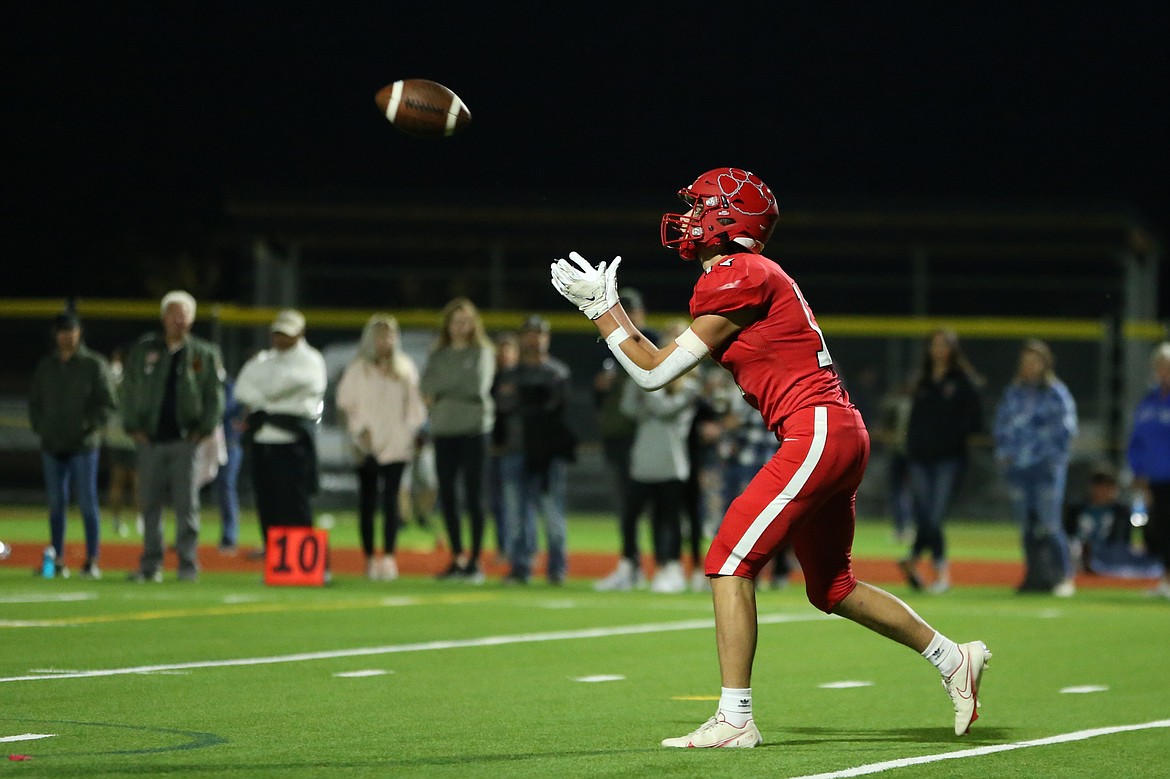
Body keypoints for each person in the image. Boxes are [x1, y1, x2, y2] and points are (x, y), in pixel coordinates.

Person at [550, 167, 989, 747]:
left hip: (816, 431)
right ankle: (951, 656)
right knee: (831, 587)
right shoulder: (746, 275)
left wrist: (602, 310)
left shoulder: (741, 271)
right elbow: (658, 363)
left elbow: (653, 373)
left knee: (729, 558)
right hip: (833, 430)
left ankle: (735, 719)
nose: (690, 216)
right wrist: (611, 314)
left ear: (732, 219)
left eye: (702, 206)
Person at [121, 291, 225, 582]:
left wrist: (201, 430)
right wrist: (133, 426)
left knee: (186, 505)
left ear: (191, 319)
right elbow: (127, 389)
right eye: (172, 314)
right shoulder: (143, 349)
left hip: (185, 441)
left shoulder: (204, 353)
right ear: (163, 317)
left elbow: (215, 398)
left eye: (183, 315)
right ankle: (151, 564)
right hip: (150, 440)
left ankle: (187, 564)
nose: (177, 320)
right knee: (149, 504)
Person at [600, 318, 698, 593]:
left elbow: (665, 410)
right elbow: (629, 409)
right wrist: (640, 377)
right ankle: (630, 566)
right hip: (644, 459)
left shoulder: (690, 385)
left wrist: (647, 380)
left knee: (668, 518)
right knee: (631, 515)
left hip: (671, 461)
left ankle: (672, 567)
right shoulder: (650, 383)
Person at [335, 314, 427, 581]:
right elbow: (345, 403)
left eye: (389, 335)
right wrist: (358, 430)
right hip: (366, 443)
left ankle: (388, 557)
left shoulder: (405, 368)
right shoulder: (358, 369)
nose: (385, 341)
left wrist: (412, 433)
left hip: (397, 444)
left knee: (391, 502)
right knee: (367, 502)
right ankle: (368, 558)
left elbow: (415, 409)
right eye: (380, 335)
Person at [28, 311, 117, 578]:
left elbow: (108, 403)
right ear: (55, 334)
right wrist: (42, 427)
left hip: (83, 445)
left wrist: (87, 426)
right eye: (62, 331)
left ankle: (92, 560)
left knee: (87, 503)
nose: (67, 336)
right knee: (56, 504)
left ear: (80, 332)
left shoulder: (93, 364)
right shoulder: (46, 366)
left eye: (72, 330)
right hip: (52, 444)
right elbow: (35, 403)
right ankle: (56, 560)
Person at [236, 309, 328, 562]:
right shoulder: (264, 360)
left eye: (286, 334)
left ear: (300, 334)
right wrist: (273, 398)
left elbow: (309, 383)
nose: (280, 339)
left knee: (296, 503)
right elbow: (242, 388)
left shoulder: (311, 360)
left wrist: (265, 398)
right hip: (263, 441)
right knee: (268, 502)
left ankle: (301, 559)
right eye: (276, 333)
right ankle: (275, 555)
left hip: (293, 441)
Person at [898, 329, 984, 594]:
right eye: (934, 344)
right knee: (926, 514)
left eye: (943, 345)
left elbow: (976, 418)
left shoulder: (961, 381)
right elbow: (914, 420)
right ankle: (917, 563)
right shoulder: (923, 381)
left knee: (934, 516)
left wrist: (956, 436)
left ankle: (935, 568)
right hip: (920, 457)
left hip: (949, 458)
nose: (937, 349)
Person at [492, 315, 576, 585]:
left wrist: (524, 402)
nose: (534, 339)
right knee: (517, 513)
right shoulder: (508, 374)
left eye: (539, 334)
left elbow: (556, 411)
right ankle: (520, 567)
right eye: (529, 333)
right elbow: (502, 409)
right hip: (515, 450)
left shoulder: (557, 372)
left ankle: (556, 568)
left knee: (552, 513)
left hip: (547, 452)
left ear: (546, 338)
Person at [993, 339, 1079, 597]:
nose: (1029, 366)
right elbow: (1001, 426)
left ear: (1045, 364)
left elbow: (1067, 430)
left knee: (1051, 525)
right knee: (1026, 527)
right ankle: (1034, 577)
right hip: (1018, 470)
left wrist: (1055, 460)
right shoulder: (1014, 392)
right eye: (1026, 361)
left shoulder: (1056, 392)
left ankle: (1065, 577)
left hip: (1046, 470)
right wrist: (1004, 454)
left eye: (1035, 361)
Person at [420, 297, 496, 583]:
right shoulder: (438, 354)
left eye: (465, 320)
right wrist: (452, 387)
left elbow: (477, 386)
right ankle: (457, 558)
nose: (460, 326)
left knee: (475, 497)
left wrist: (445, 389)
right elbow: (426, 386)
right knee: (448, 497)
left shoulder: (483, 351)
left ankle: (475, 561)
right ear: (448, 325)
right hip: (444, 431)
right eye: (455, 321)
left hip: (475, 431)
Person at [1126, 341, 1170, 598]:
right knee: (1158, 529)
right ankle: (1165, 579)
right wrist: (1138, 472)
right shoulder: (1149, 402)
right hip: (1154, 478)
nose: (1163, 371)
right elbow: (1137, 441)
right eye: (1160, 367)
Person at [1063, 462, 1161, 578]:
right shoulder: (1076, 509)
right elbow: (1068, 533)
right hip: (1078, 550)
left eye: (1108, 486)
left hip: (1110, 551)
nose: (1103, 491)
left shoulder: (1122, 512)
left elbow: (1130, 539)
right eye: (1099, 486)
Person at [487, 331, 520, 559]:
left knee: (516, 503)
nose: (504, 356)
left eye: (509, 351)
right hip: (493, 448)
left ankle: (521, 548)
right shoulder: (489, 379)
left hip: (516, 449)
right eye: (501, 351)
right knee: (496, 503)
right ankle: (504, 547)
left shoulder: (521, 378)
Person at [102, 346, 139, 538]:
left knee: (120, 481)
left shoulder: (113, 377)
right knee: (135, 481)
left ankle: (119, 521)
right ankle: (139, 520)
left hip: (117, 434)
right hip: (131, 435)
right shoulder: (134, 379)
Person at [213, 375, 245, 554]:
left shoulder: (229, 387)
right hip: (202, 443)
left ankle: (229, 536)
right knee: (186, 487)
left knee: (226, 486)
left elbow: (224, 409)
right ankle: (184, 537)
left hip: (229, 443)